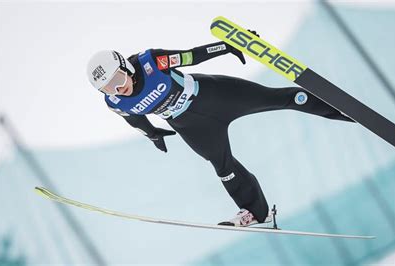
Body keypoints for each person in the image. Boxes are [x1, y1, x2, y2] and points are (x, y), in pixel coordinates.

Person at [86, 34, 354, 227]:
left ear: (126, 67)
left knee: (278, 98)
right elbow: (133, 118)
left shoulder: (151, 62)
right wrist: (152, 134)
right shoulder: (116, 102)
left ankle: (342, 112)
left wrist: (226, 46)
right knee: (224, 168)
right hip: (190, 125)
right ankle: (255, 213)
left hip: (214, 95)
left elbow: (191, 56)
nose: (118, 89)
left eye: (118, 80)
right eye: (109, 88)